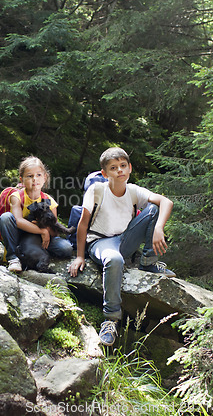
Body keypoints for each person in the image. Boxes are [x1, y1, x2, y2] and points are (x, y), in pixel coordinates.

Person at [68, 147, 175, 346]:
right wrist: (80, 256)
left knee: (154, 208)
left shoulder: (133, 190)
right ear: (104, 173)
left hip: (124, 240)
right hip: (100, 242)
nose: (119, 171)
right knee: (114, 259)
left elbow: (165, 202)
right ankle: (111, 319)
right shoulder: (97, 190)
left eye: (123, 166)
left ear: (130, 168)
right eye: (114, 167)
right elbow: (83, 225)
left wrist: (159, 227)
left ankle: (148, 262)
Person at [0, 156, 73, 272]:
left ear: (45, 178)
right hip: (21, 234)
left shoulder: (49, 201)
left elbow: (54, 230)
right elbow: (18, 221)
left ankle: (40, 253)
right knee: (6, 218)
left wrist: (46, 229)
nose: (35, 179)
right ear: (21, 180)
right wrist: (41, 230)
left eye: (38, 175)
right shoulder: (17, 197)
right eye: (29, 176)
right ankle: (13, 258)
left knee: (66, 248)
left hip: (40, 238)